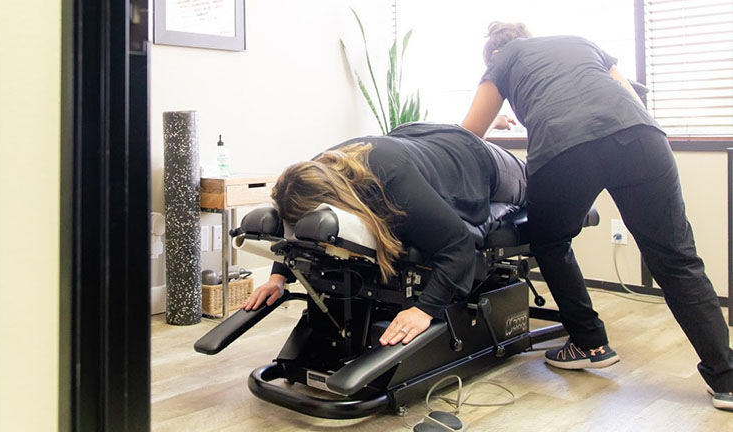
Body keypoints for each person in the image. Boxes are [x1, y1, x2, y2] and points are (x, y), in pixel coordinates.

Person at [461, 21, 733, 410]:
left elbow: (469, 133)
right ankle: (727, 379)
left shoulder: (504, 60)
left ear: (494, 54)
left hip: (565, 150)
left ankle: (589, 343)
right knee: (676, 258)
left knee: (549, 241)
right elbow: (626, 95)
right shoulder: (578, 41)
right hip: (642, 136)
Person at [241, 122, 526, 347]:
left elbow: (458, 245)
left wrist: (425, 309)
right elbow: (299, 226)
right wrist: (278, 278)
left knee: (531, 186)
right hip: (413, 141)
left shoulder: (394, 183)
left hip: (474, 155)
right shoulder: (308, 175)